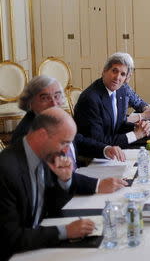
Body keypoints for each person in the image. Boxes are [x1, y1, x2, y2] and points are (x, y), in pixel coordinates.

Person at [0, 108, 97, 259]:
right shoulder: (6, 169)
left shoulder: (45, 154)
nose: (66, 151)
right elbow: (10, 238)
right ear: (42, 136)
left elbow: (53, 207)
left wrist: (64, 180)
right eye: (64, 143)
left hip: (36, 243)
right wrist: (64, 231)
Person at [11, 75, 127, 194]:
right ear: (30, 102)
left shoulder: (51, 119)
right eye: (45, 98)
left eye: (57, 96)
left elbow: (79, 140)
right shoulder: (28, 133)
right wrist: (97, 185)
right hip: (57, 195)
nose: (54, 103)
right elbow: (52, 175)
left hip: (75, 180)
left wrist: (105, 149)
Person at [74, 52, 150, 148]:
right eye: (114, 71)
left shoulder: (120, 91)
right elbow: (97, 140)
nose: (117, 77)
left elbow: (118, 125)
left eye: (122, 74)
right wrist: (135, 135)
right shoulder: (91, 98)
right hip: (95, 155)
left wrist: (137, 128)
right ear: (104, 71)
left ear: (126, 79)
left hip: (113, 146)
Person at [120, 53, 150, 123]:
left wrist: (146, 108)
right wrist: (142, 116)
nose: (131, 74)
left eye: (123, 74)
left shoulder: (124, 87)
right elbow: (118, 121)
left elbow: (138, 102)